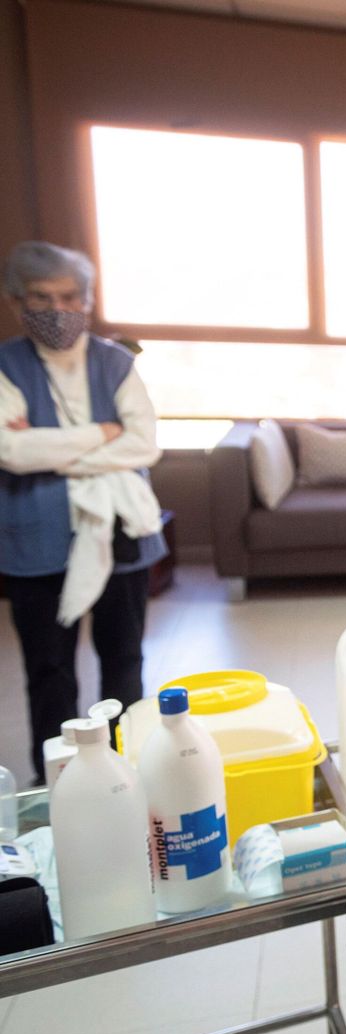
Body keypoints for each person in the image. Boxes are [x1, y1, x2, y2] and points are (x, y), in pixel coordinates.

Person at [0, 241, 165, 785]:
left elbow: (144, 445)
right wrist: (102, 434)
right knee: (50, 671)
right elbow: (10, 451)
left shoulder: (116, 363)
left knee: (124, 660)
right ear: (16, 302)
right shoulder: (7, 366)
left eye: (70, 297)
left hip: (121, 535)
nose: (58, 309)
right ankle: (61, 783)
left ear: (88, 301)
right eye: (41, 298)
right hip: (35, 541)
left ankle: (125, 773)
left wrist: (51, 449)